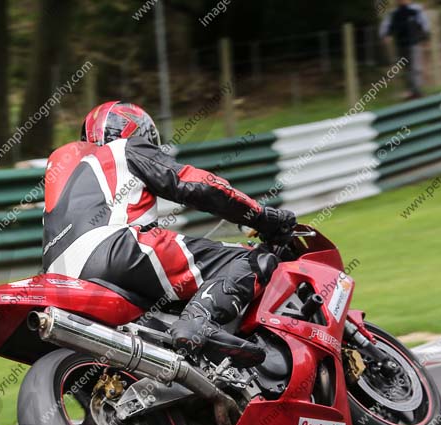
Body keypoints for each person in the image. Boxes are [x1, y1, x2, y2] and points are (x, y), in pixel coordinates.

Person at [42, 101, 296, 355]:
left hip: (58, 276)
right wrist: (262, 216)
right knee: (250, 257)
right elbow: (199, 185)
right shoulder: (125, 148)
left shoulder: (66, 175)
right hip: (116, 248)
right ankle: (199, 321)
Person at [380, 0, 431, 99]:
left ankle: (417, 91)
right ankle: (412, 91)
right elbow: (387, 26)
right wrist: (386, 35)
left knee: (415, 67)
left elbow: (424, 24)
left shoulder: (416, 10)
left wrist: (425, 36)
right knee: (407, 69)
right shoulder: (394, 13)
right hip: (401, 44)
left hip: (414, 43)